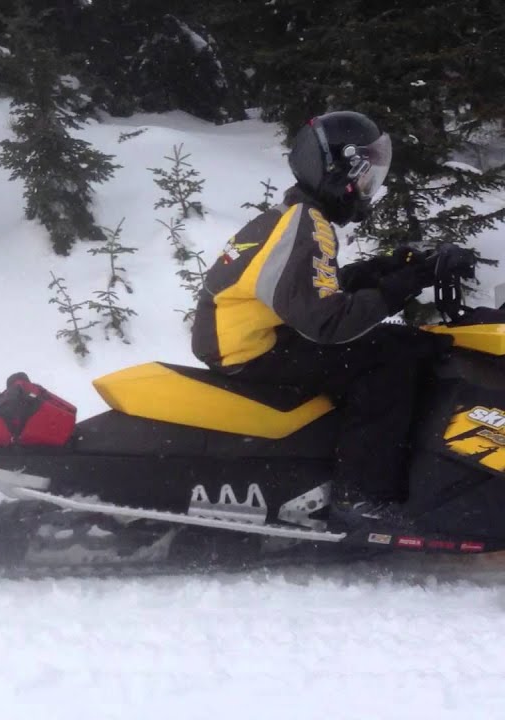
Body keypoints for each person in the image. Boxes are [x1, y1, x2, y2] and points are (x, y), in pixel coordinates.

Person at [190, 110, 445, 527]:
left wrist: (381, 270)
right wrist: (403, 285)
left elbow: (308, 289)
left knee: (393, 344)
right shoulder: (304, 225)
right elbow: (327, 323)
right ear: (340, 173)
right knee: (388, 359)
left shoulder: (294, 216)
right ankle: (361, 494)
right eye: (365, 179)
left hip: (253, 335)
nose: (367, 190)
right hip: (252, 349)